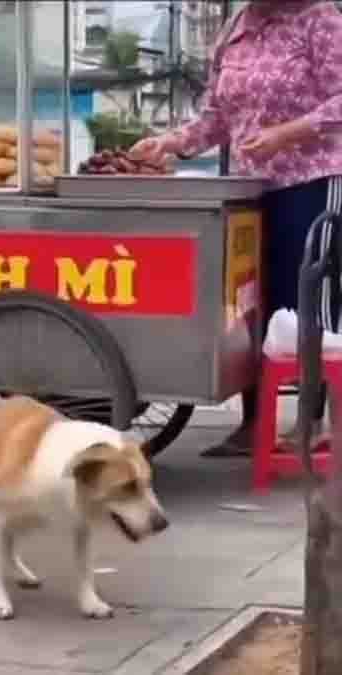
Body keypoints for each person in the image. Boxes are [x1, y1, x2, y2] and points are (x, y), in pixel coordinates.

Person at [132, 0, 342, 457]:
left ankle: (311, 422)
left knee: (305, 300)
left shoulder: (319, 18)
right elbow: (217, 116)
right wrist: (170, 143)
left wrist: (288, 132)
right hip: (248, 189)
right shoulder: (236, 27)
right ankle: (256, 424)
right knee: (251, 305)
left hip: (312, 181)